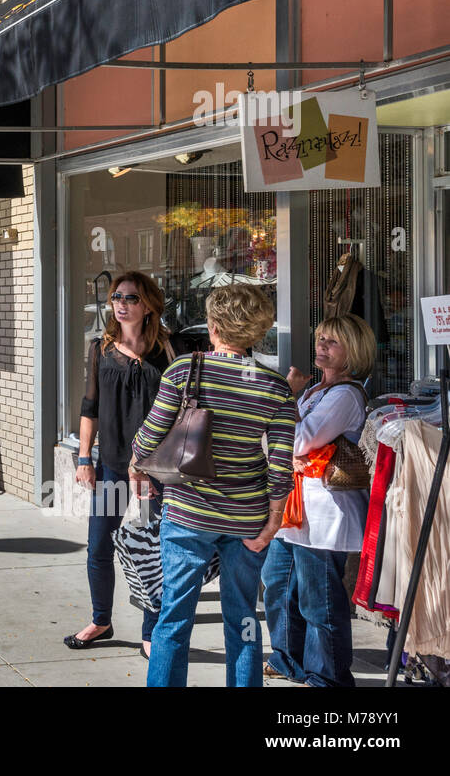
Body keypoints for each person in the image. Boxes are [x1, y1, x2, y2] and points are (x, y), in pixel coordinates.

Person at [131, 284, 295, 687]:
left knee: (174, 616)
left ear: (215, 325)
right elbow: (280, 468)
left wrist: (137, 464)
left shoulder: (185, 370)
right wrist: (273, 522)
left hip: (190, 512)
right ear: (257, 331)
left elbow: (147, 440)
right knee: (244, 618)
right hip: (248, 518)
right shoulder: (276, 389)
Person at [65, 271, 177, 658]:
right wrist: (84, 457)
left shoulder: (167, 350)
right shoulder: (100, 349)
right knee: (99, 546)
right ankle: (102, 619)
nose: (121, 304)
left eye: (130, 298)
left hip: (157, 470)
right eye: (116, 297)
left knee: (152, 552)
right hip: (112, 465)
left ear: (147, 305)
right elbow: (89, 408)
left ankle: (150, 630)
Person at [262, 314, 375, 687]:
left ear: (352, 351)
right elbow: (283, 443)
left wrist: (284, 401)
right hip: (294, 509)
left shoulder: (345, 394)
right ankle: (287, 659)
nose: (321, 346)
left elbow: (295, 441)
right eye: (321, 339)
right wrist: (290, 432)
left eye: (333, 342)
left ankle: (326, 676)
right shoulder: (313, 392)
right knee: (278, 585)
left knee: (319, 601)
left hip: (324, 515)